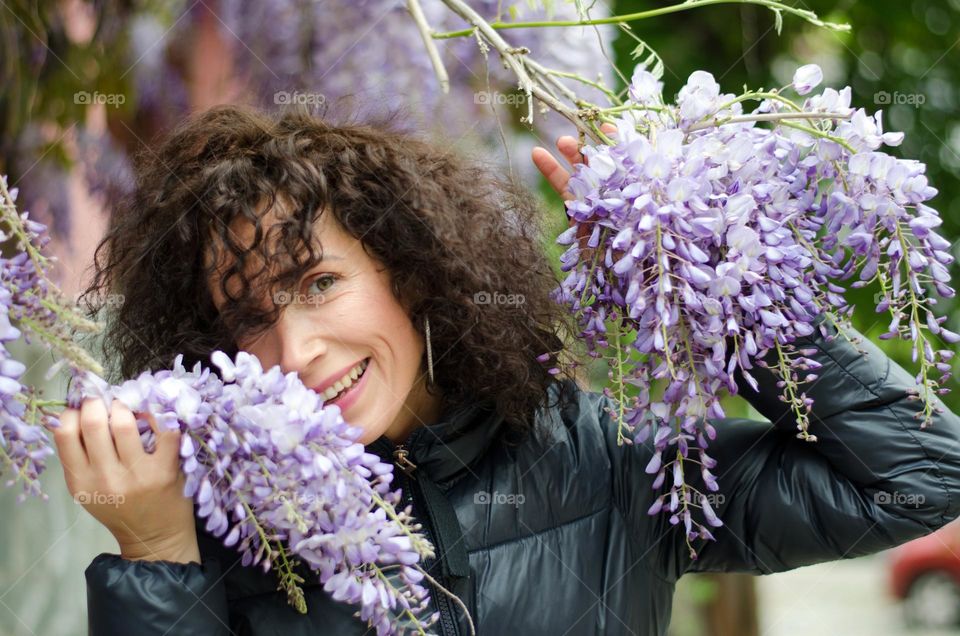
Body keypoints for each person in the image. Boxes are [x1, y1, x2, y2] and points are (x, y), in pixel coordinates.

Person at [55, 104, 960, 635]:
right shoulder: (230, 534)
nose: (296, 355)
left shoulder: (610, 462)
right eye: (247, 320)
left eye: (320, 282)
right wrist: (157, 556)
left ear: (410, 269)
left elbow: (920, 479)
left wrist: (704, 287)